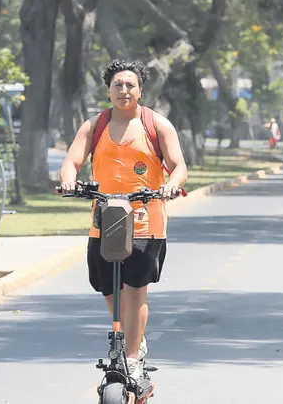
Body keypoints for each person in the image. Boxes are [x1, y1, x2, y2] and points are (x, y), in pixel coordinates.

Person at [59, 59, 188, 383]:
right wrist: (69, 180)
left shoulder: (157, 125)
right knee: (107, 287)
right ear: (108, 91)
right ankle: (133, 337)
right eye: (118, 84)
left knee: (135, 289)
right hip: (105, 220)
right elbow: (72, 161)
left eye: (130, 85)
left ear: (140, 91)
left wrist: (172, 185)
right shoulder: (95, 126)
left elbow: (178, 166)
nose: (124, 90)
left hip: (146, 221)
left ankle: (132, 357)